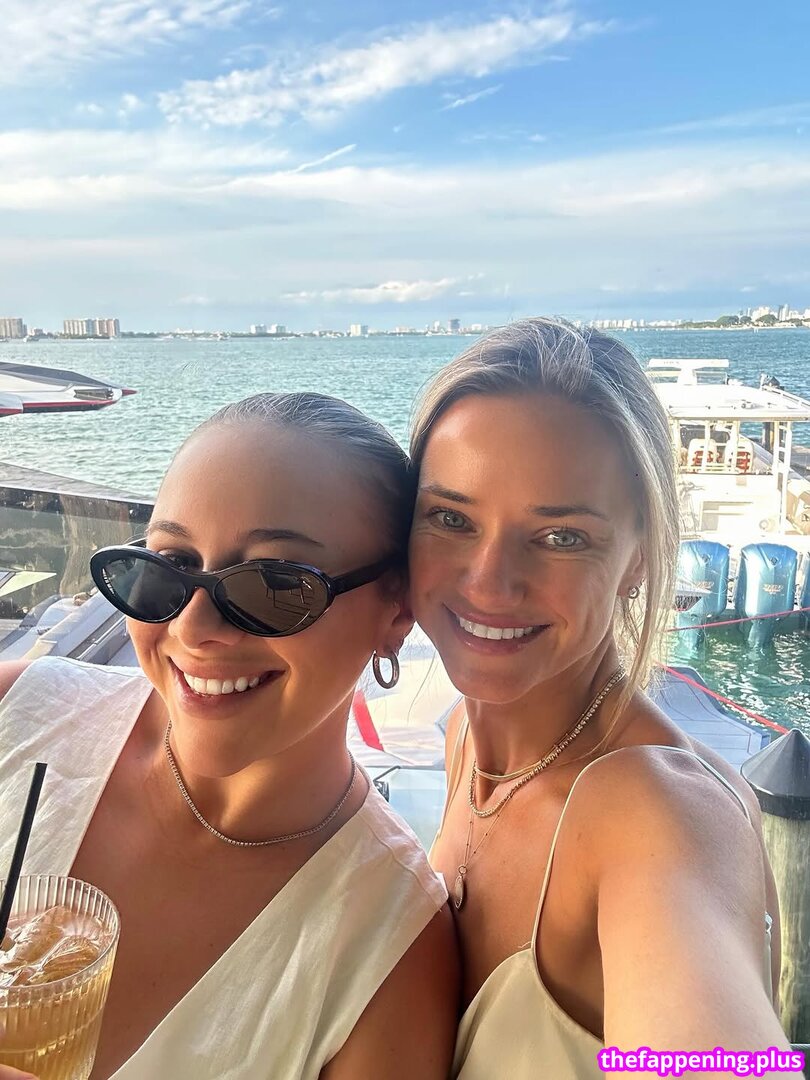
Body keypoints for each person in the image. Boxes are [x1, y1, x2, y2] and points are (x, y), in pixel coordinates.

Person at [0, 393, 458, 1080]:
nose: (192, 628)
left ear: (396, 610)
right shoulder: (17, 714)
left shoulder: (388, 952)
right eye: (169, 565)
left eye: (273, 585)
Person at [407, 318, 792, 1078]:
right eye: (451, 519)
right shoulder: (464, 741)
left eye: (561, 537)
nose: (489, 582)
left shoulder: (656, 812)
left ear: (640, 558)